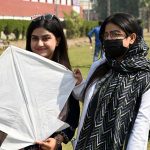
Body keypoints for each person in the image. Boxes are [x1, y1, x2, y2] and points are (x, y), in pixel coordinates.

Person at [73, 12, 150, 150]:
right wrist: (79, 84)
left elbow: (141, 123)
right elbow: (90, 99)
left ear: (131, 38)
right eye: (106, 35)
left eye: (115, 34)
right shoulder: (99, 66)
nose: (109, 39)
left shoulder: (144, 75)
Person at [24, 13, 80, 150]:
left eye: (46, 38)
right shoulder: (19, 71)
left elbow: (72, 117)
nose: (39, 44)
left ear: (58, 40)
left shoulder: (66, 78)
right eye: (34, 38)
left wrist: (58, 140)